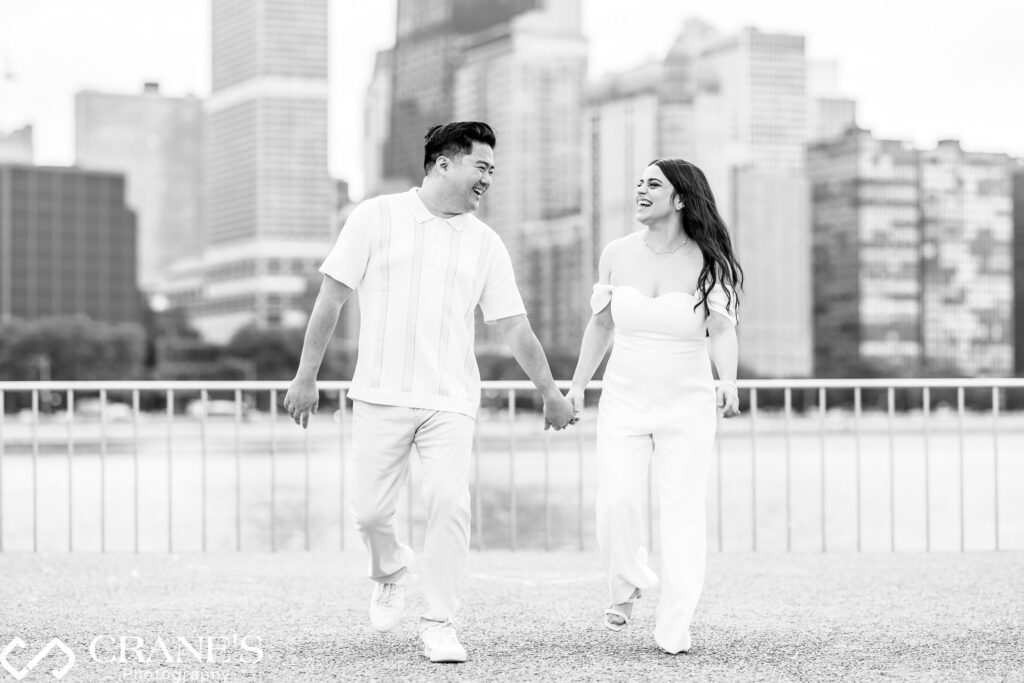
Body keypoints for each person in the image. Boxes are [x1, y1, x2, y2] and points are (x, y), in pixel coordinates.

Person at [283, 121, 575, 663]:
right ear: (444, 162)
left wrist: (551, 392)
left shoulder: (485, 243)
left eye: (493, 169)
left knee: (448, 502)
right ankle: (389, 569)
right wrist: (307, 376)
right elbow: (331, 300)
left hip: (450, 400)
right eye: (480, 166)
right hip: (378, 394)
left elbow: (513, 325)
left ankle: (440, 621)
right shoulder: (375, 216)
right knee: (370, 514)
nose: (488, 178)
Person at [566, 158, 742, 654]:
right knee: (615, 501)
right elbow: (600, 326)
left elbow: (722, 330)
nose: (640, 189)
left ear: (680, 198)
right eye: (638, 182)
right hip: (623, 399)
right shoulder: (617, 253)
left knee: (682, 512)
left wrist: (727, 380)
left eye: (653, 184)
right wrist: (577, 387)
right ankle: (629, 581)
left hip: (686, 403)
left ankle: (675, 623)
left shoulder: (709, 262)